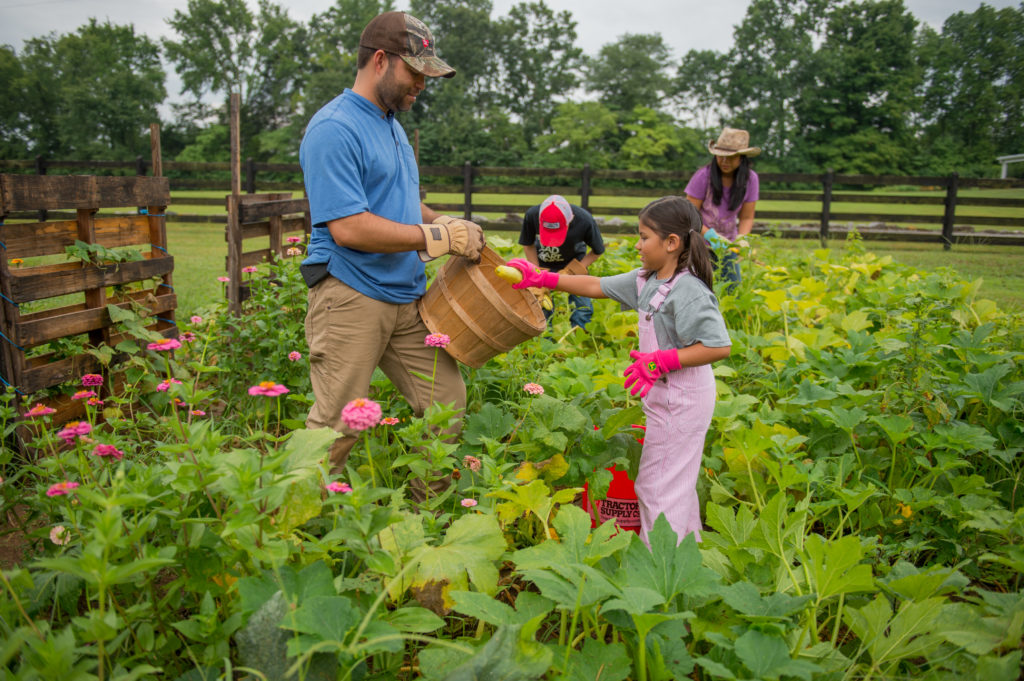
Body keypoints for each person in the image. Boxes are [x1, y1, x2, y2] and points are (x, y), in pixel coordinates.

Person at [298, 11, 485, 474]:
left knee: (445, 405)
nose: (422, 85)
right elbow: (349, 227)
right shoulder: (334, 129)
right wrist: (436, 237)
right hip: (350, 293)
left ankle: (425, 520)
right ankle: (290, 533)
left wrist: (446, 221)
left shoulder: (391, 125)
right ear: (380, 60)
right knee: (337, 427)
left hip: (405, 299)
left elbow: (401, 204)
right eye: (415, 73)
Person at [504, 196, 731, 546]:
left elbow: (718, 345)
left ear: (671, 243)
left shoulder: (688, 289)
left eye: (643, 237)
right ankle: (688, 553)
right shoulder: (647, 279)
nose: (636, 245)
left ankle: (660, 568)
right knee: (673, 482)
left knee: (657, 486)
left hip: (684, 401)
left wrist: (662, 360)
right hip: (666, 398)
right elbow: (596, 285)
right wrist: (543, 278)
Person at [684, 127, 760, 290]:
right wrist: (711, 236)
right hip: (698, 243)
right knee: (698, 288)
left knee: (732, 289)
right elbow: (689, 214)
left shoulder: (750, 180)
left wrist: (742, 239)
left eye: (731, 157)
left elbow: (747, 217)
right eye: (721, 156)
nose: (724, 162)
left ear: (742, 157)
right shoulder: (703, 176)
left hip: (728, 245)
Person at [518, 195, 605, 330]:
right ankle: (546, 342)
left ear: (570, 221)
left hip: (573, 264)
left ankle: (577, 341)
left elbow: (597, 250)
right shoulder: (532, 215)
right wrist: (536, 272)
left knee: (583, 308)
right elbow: (528, 245)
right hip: (543, 265)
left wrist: (572, 270)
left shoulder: (585, 220)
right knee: (540, 307)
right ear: (540, 222)